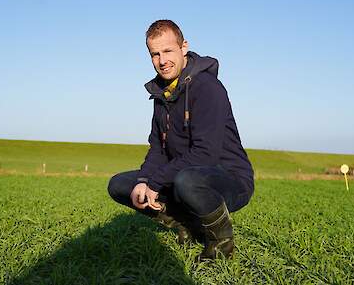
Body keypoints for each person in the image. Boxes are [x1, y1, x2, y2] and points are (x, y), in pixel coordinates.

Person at [108, 19, 254, 260]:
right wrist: (145, 180)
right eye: (155, 54)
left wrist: (156, 183)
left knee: (188, 180)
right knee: (121, 185)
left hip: (227, 178)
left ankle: (221, 244)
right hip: (183, 176)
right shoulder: (161, 94)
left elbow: (206, 153)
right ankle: (185, 224)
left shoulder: (209, 88)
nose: (162, 60)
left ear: (183, 47)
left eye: (167, 51)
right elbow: (158, 148)